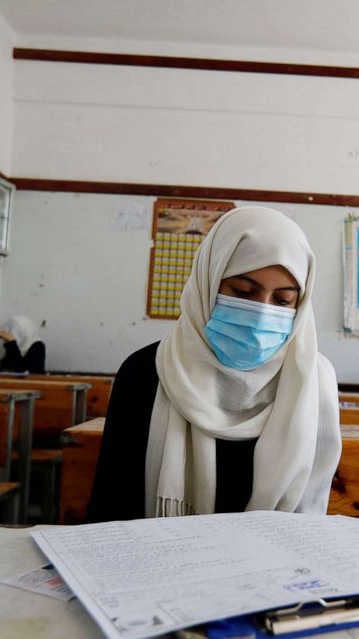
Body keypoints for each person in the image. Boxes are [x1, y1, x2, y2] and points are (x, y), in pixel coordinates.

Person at [86, 206, 341, 522]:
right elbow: (111, 508)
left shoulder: (314, 383)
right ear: (208, 281)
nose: (262, 313)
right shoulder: (145, 373)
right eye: (243, 292)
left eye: (282, 301)